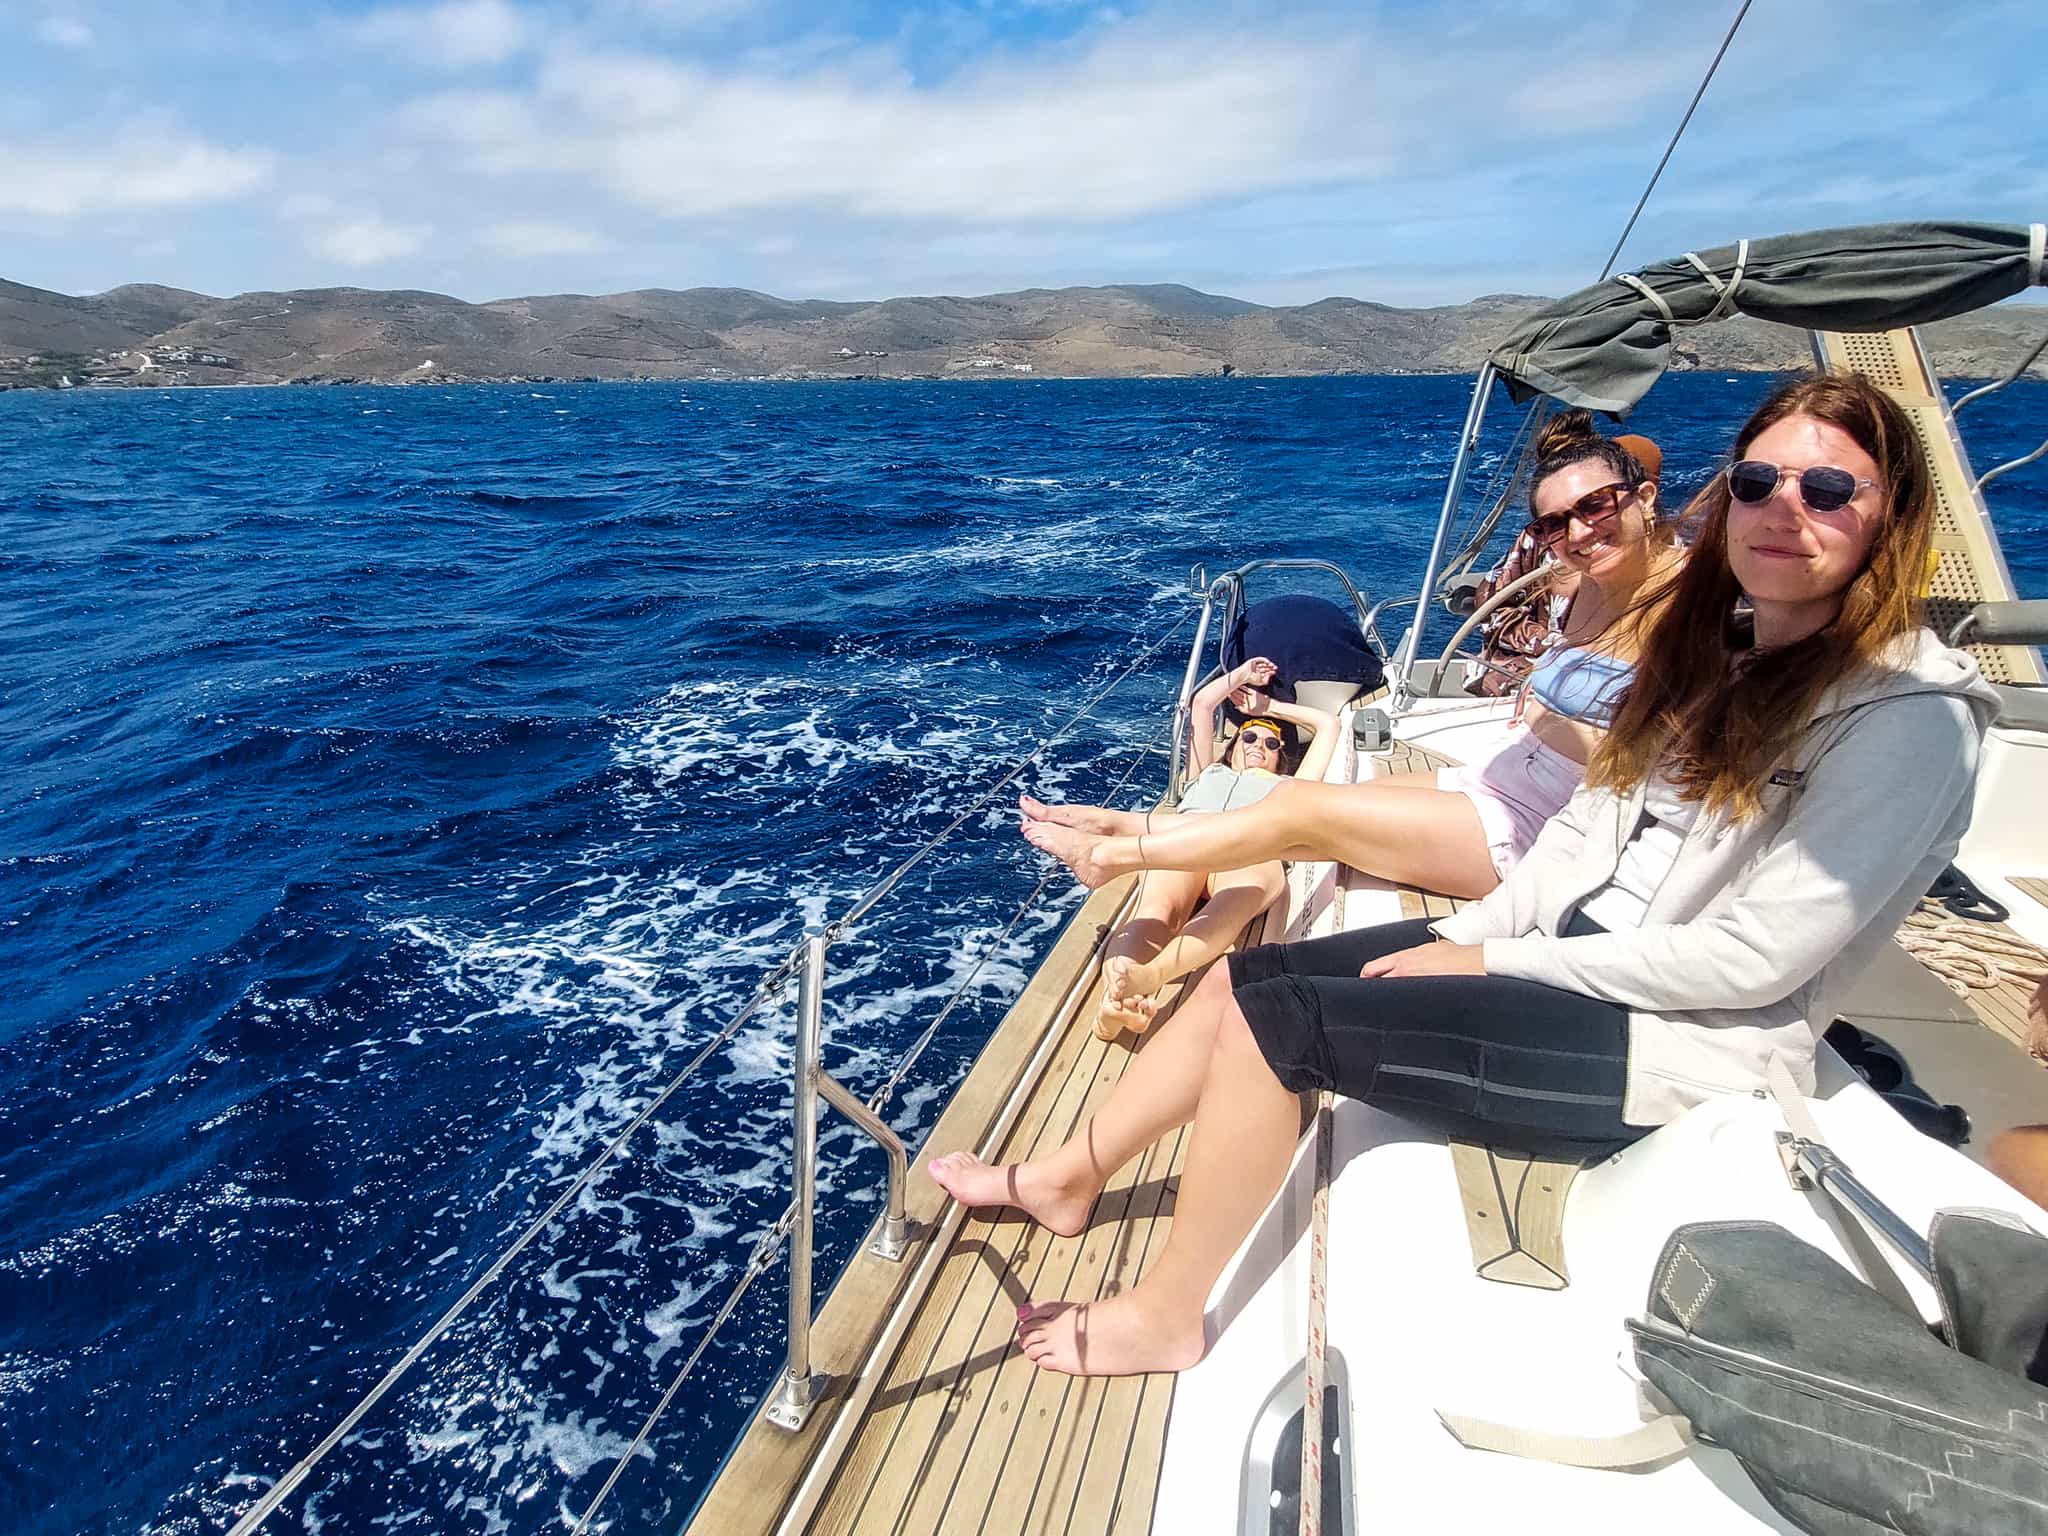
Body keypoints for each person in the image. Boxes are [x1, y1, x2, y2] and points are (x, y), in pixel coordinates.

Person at [933, 371, 2000, 1378]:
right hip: (1559, 963)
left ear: (1889, 516)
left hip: (1680, 1045)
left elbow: (1753, 961)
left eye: (1825, 489)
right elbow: (1584, 838)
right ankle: (1069, 1172)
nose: (1782, 509)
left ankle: (1167, 1314)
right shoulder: (1721, 658)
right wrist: (1461, 938)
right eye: (1759, 481)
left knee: (1280, 1030)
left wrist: (1495, 958)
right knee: (1239, 982)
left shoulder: (1906, 719)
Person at [1020, 412, 1682, 901]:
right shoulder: (1587, 590)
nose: (1575, 533)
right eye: (1550, 524)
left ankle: (1123, 852)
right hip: (1505, 783)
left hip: (1545, 826)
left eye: (1595, 506)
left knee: (1297, 810)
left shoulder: (1690, 611)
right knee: (1307, 795)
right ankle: (1127, 821)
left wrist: (1550, 720)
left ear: (1644, 498)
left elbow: (1666, 762)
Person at [1060, 655, 1339, 1038]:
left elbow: (1328, 725)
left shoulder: (1289, 788)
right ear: (1234, 743)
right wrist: (1242, 676)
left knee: (1227, 909)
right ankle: (1113, 1005)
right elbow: (1203, 704)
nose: (1260, 743)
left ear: (1281, 759)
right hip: (1188, 841)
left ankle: (1149, 976)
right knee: (1160, 910)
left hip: (1250, 851)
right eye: (1250, 736)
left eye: (1272, 742)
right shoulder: (1205, 772)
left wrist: (1271, 708)